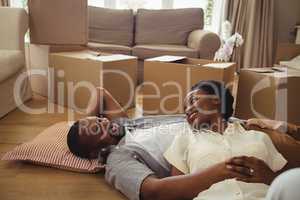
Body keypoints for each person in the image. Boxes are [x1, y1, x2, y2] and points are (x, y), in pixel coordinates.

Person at [67, 81, 300, 200]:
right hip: (212, 164)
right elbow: (154, 191)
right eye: (97, 130)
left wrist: (87, 122)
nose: (104, 123)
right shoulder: (119, 157)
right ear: (93, 152)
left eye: (99, 119)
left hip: (237, 131)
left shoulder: (129, 124)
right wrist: (223, 170)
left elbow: (99, 91)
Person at [164, 81, 287, 200]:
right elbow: (175, 191)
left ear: (216, 99)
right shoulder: (185, 138)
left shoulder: (258, 136)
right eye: (185, 109)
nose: (187, 110)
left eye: (193, 100)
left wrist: (270, 177)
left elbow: (287, 183)